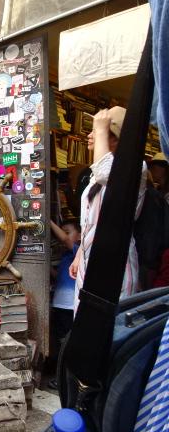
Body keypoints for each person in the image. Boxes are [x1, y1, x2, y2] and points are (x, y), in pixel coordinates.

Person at [69, 107, 147, 312]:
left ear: (115, 138)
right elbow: (90, 221)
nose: (90, 135)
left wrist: (101, 128)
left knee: (109, 327)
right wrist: (79, 255)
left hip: (114, 262)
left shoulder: (137, 167)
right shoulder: (94, 174)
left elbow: (106, 173)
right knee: (84, 322)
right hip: (89, 261)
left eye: (96, 130)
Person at [48, 219, 81, 390]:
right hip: (60, 306)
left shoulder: (78, 251)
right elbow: (58, 276)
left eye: (68, 231)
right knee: (61, 343)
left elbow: (66, 240)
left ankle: (65, 380)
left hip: (69, 307)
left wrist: (48, 220)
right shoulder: (67, 257)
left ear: (80, 236)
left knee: (67, 344)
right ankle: (62, 378)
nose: (65, 235)